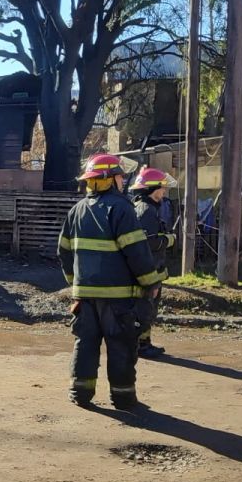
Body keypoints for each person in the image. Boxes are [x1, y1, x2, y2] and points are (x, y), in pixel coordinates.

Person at [59, 154, 166, 409]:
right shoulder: (121, 209)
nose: (122, 181)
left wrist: (76, 286)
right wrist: (150, 283)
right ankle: (123, 397)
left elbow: (64, 252)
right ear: (108, 180)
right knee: (120, 345)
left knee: (85, 343)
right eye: (119, 176)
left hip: (84, 297)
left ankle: (80, 394)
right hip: (118, 298)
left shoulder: (76, 210)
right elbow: (136, 252)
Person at [129, 167, 177, 359]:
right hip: (149, 271)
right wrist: (169, 240)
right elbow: (148, 242)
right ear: (152, 189)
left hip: (151, 269)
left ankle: (143, 342)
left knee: (147, 307)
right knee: (145, 308)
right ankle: (142, 345)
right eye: (162, 188)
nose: (164, 192)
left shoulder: (144, 207)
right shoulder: (147, 210)